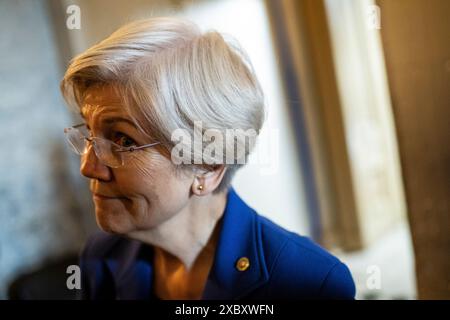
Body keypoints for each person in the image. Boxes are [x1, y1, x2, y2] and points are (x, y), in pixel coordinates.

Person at [61, 17, 355, 300]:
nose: (88, 167)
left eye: (124, 140)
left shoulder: (308, 283)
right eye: (89, 131)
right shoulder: (101, 258)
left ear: (207, 167)